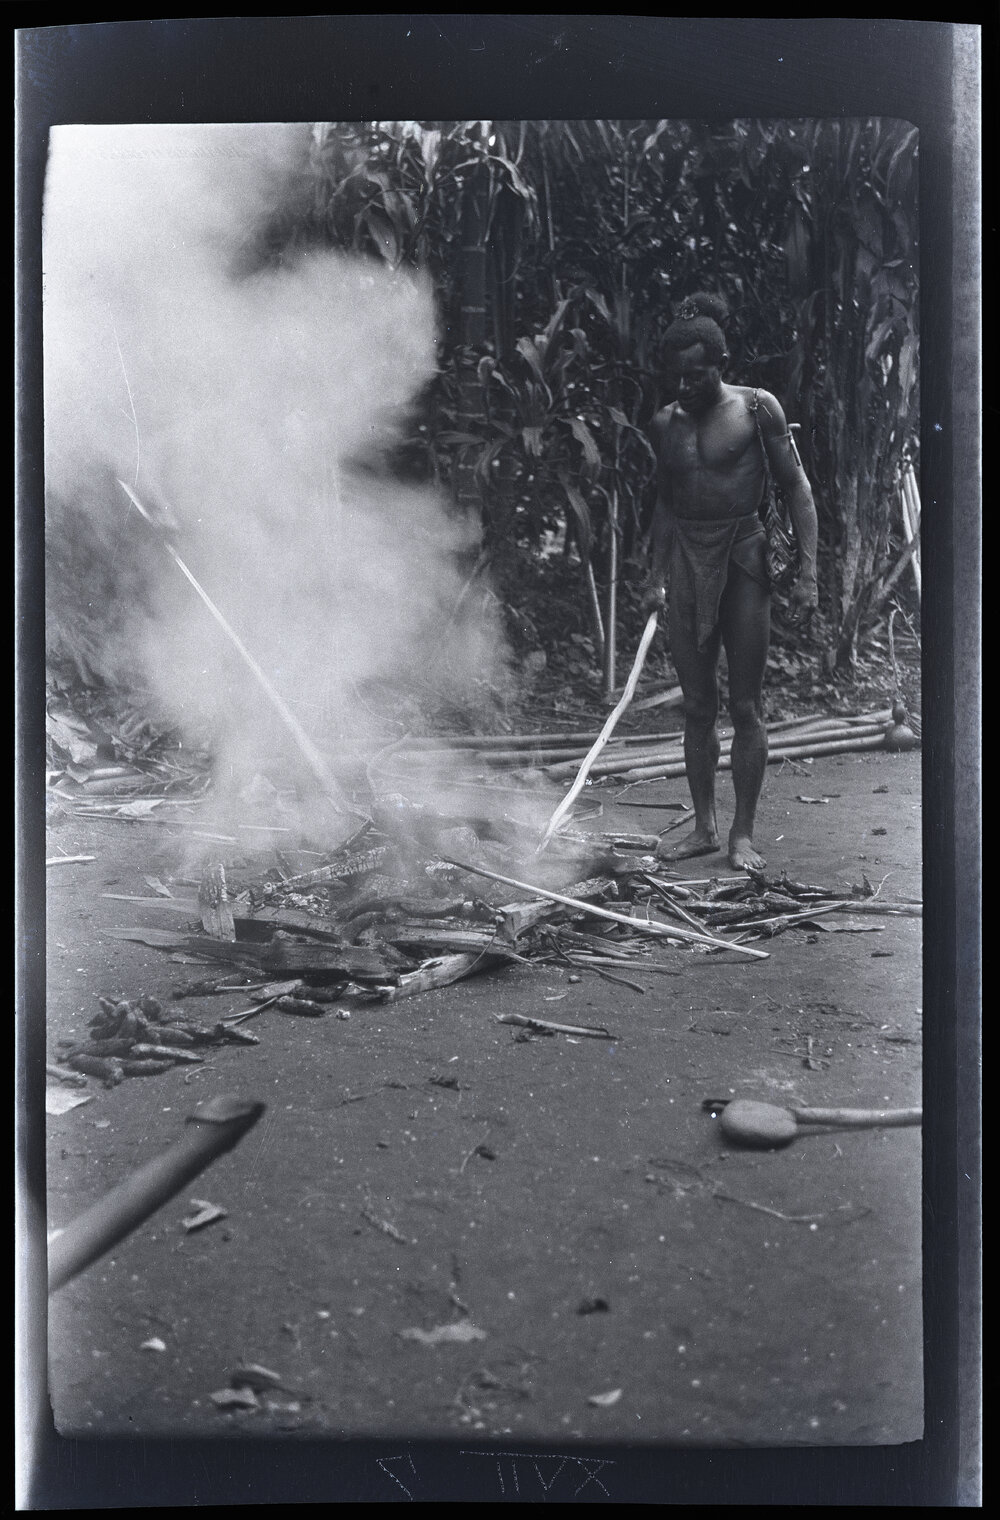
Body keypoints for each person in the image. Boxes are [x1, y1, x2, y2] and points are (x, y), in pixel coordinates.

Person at [641, 293, 819, 871]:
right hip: (686, 562)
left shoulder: (756, 408)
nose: (687, 384)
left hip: (744, 556)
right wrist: (654, 575)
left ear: (720, 364)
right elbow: (665, 505)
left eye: (698, 373)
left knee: (745, 703)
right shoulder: (665, 422)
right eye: (678, 375)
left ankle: (742, 834)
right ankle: (704, 827)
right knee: (697, 704)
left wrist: (809, 572)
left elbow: (797, 487)